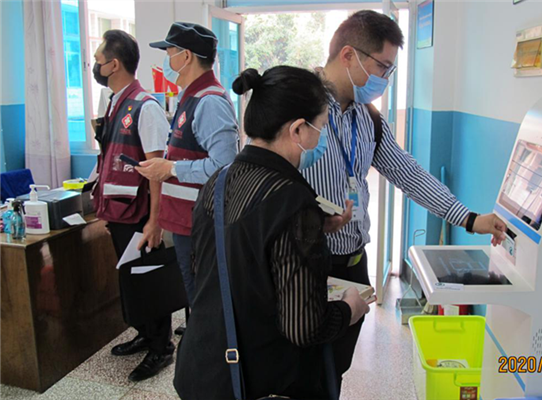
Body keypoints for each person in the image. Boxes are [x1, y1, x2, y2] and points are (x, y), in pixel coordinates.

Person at [302, 10, 508, 390]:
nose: (385, 79)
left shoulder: (367, 119)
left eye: (390, 70)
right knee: (304, 371)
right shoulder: (297, 108)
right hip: (305, 264)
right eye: (383, 67)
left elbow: (409, 174)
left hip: (353, 265)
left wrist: (469, 218)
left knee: (336, 368)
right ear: (348, 55)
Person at [173, 66, 370, 400]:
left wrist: (314, 228)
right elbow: (304, 326)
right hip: (260, 381)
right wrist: (350, 308)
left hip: (203, 367)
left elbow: (213, 267)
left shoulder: (219, 181)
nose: (320, 139)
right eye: (321, 127)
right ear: (297, 129)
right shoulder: (293, 200)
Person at [138, 22, 239, 334]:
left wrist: (171, 169)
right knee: (195, 293)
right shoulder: (189, 96)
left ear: (187, 56)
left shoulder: (209, 102)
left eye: (170, 52)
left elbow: (225, 166)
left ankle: (209, 347)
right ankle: (202, 334)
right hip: (185, 220)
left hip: (201, 222)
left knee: (204, 295)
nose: (167, 60)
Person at [91, 30, 174, 381]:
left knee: (148, 279)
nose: (95, 65)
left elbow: (157, 171)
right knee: (131, 280)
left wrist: (155, 221)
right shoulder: (114, 103)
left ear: (114, 64)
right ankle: (144, 333)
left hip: (139, 213)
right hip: (118, 209)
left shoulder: (145, 107)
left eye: (98, 59)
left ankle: (162, 347)